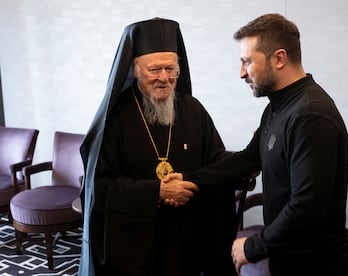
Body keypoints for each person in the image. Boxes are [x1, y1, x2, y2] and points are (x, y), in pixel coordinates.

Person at [166, 13, 348, 275]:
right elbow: (247, 159)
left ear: (279, 58)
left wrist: (253, 246)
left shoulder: (310, 115)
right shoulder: (278, 106)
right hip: (286, 259)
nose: (241, 72)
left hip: (315, 265)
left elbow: (307, 207)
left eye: (247, 61)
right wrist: (189, 178)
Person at [78, 18, 240, 276]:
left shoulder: (193, 110)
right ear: (134, 70)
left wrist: (243, 166)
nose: (164, 78)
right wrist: (157, 191)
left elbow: (216, 160)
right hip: (135, 244)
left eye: (171, 69)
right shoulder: (115, 119)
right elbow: (102, 185)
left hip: (187, 237)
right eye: (154, 69)